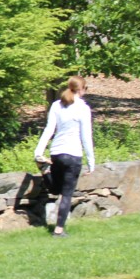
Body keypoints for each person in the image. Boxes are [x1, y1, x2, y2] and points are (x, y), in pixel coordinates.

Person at [34, 75, 95, 237]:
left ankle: (45, 170)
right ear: (81, 89)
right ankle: (59, 230)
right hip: (73, 154)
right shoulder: (83, 108)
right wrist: (91, 161)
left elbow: (49, 129)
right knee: (66, 194)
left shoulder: (57, 105)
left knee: (55, 189)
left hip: (57, 152)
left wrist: (38, 151)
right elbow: (86, 137)